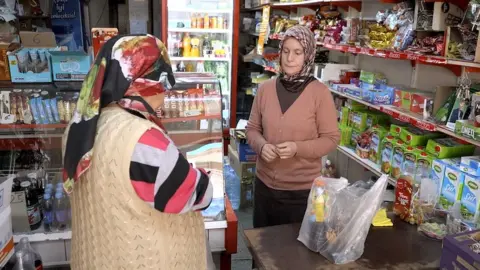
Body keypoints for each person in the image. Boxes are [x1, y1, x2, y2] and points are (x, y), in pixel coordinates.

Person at [62, 34, 214, 269]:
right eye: (163, 80)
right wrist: (202, 175)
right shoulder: (143, 140)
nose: (166, 91)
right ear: (147, 81)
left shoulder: (79, 126)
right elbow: (199, 194)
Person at [246, 26, 340, 228]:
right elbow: (252, 129)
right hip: (264, 188)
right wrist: (262, 146)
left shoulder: (320, 93)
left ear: (308, 55)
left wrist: (298, 148)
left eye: (298, 52)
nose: (290, 58)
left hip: (301, 193)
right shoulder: (265, 89)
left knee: (293, 256)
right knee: (262, 250)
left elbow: (331, 139)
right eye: (286, 51)